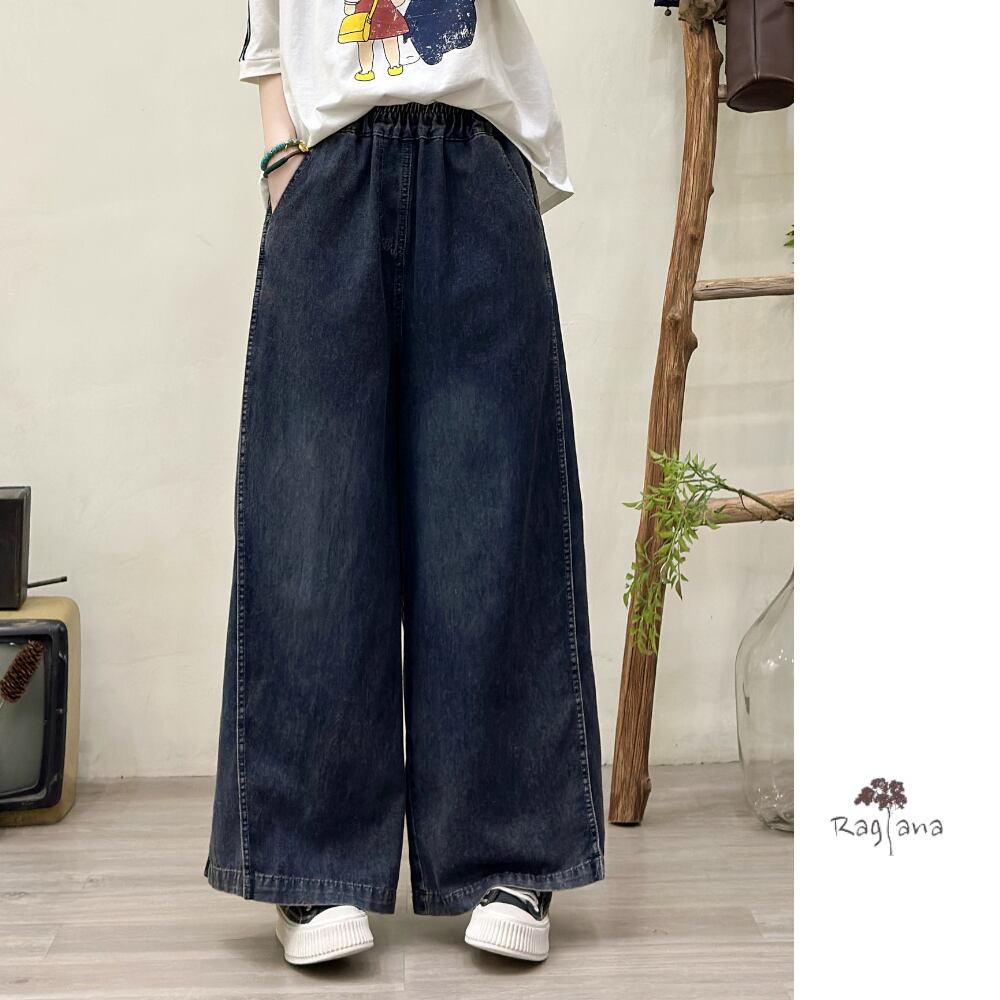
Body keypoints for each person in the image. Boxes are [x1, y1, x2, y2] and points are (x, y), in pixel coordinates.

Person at [205, 0, 605, 965]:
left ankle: (510, 850)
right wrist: (280, 159)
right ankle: (309, 861)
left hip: (474, 162)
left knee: (489, 520)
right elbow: (269, 30)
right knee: (314, 523)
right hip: (329, 169)